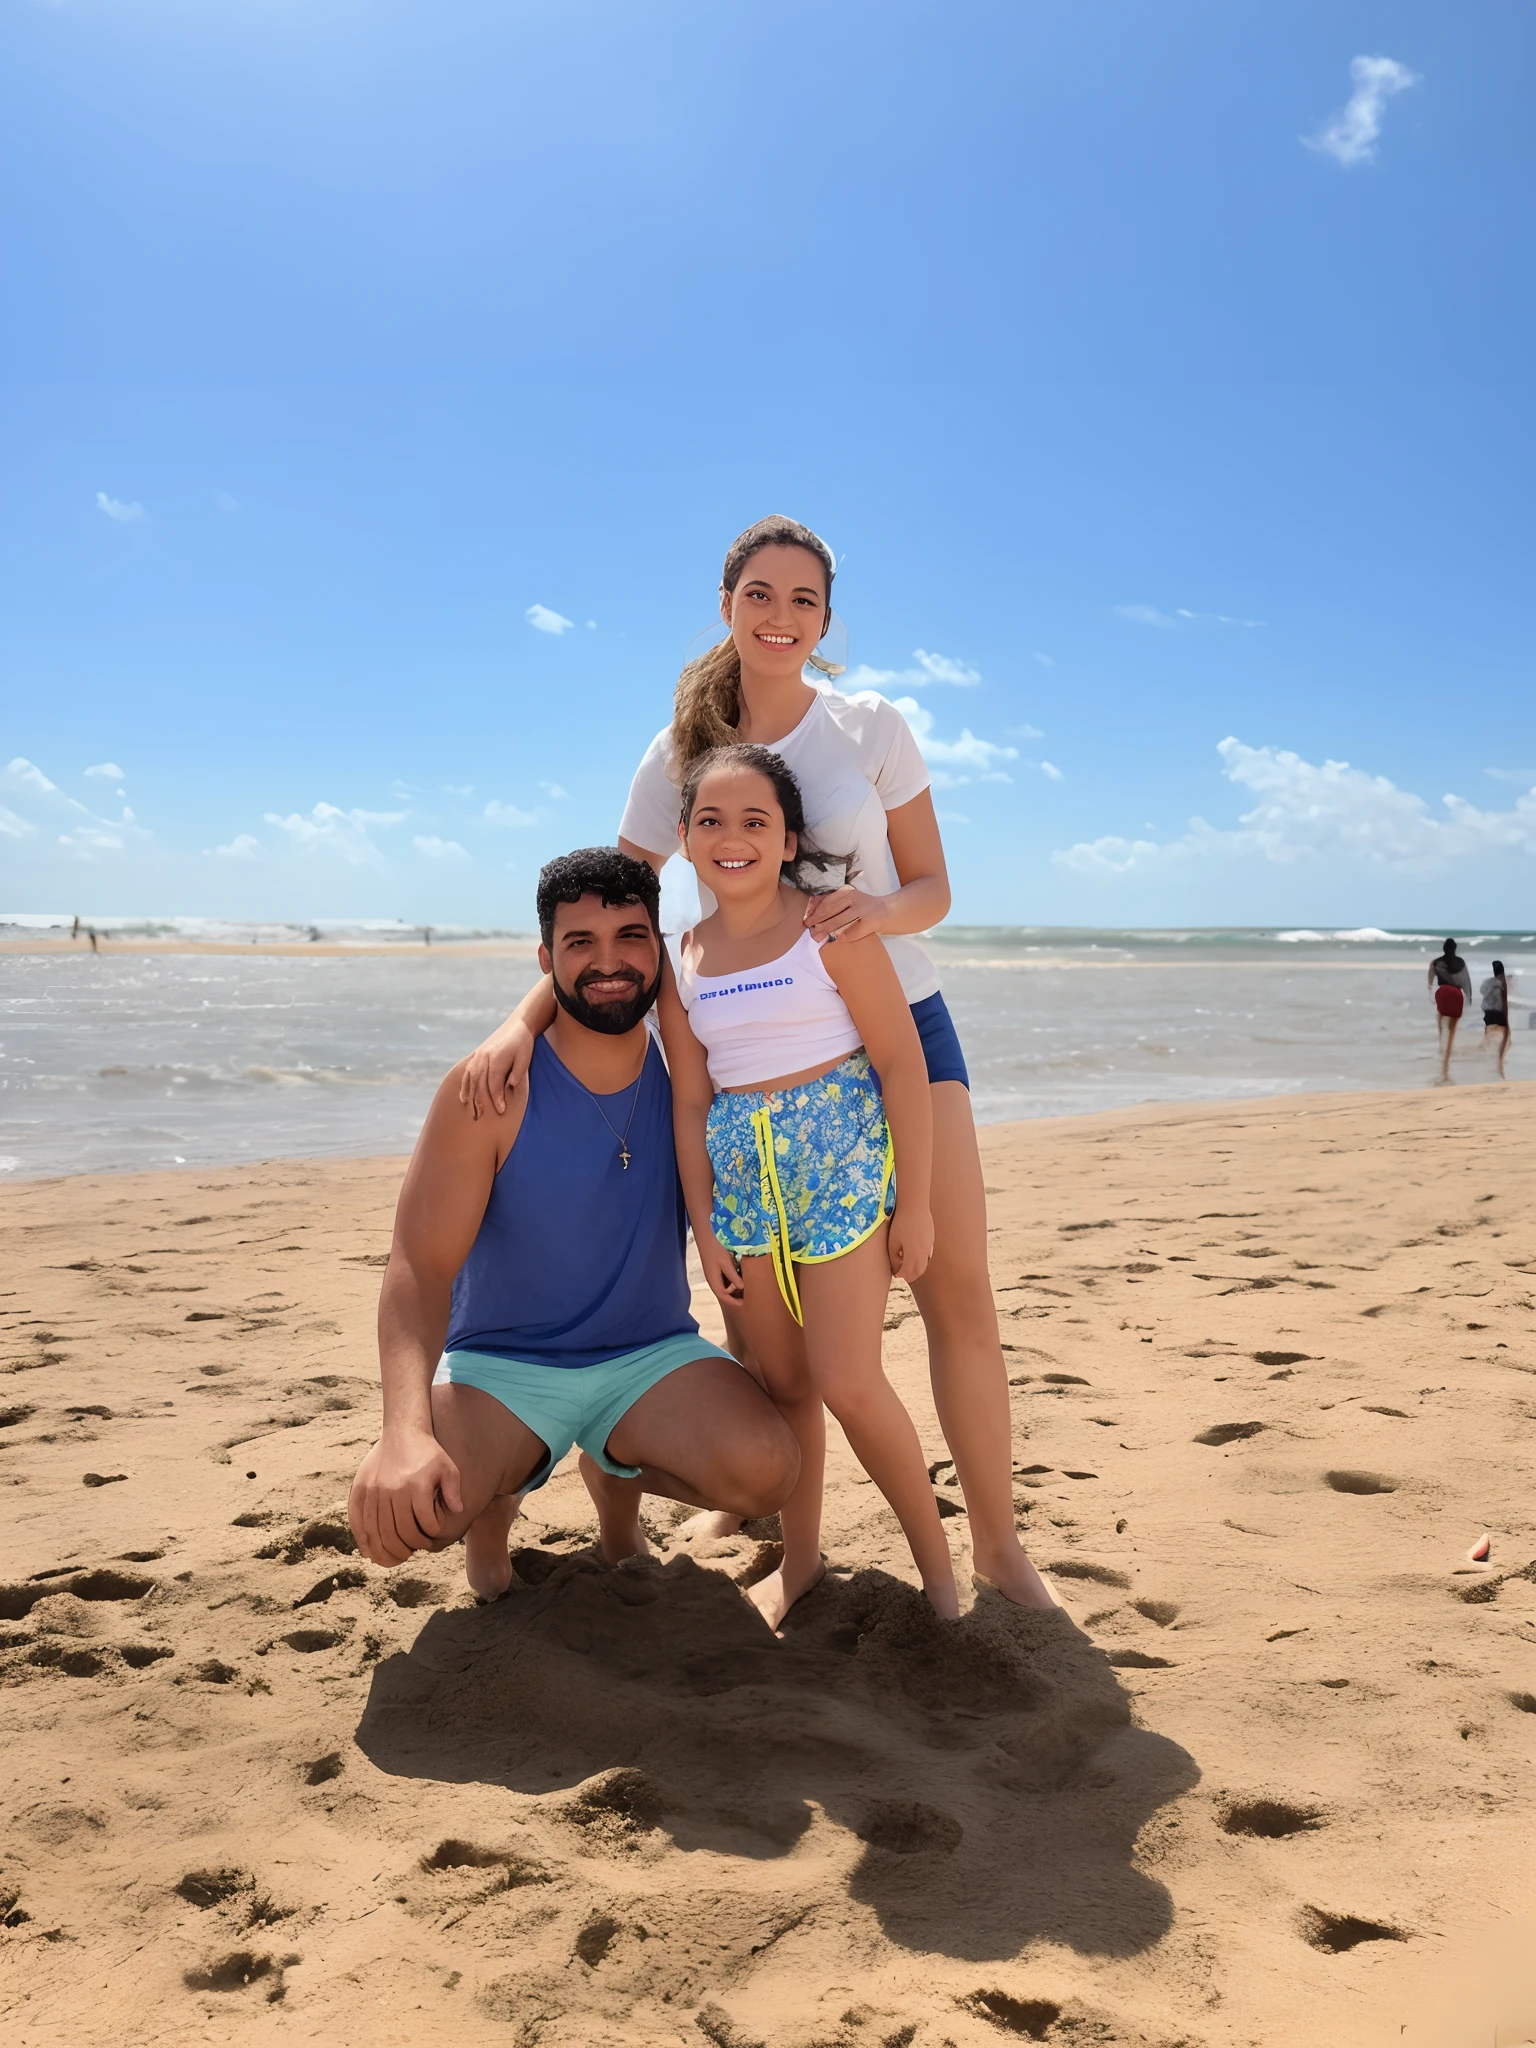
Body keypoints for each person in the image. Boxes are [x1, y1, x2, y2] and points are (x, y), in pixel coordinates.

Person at [462, 514, 1055, 1609]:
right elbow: (615, 906)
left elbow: (934, 886)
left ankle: (1001, 1550)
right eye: (761, 595)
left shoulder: (868, 724)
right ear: (728, 604)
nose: (781, 617)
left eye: (805, 601)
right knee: (777, 1342)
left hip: (896, 1022)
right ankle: (798, 1537)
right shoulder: (675, 748)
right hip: (746, 1065)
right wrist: (523, 1017)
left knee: (953, 1290)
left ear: (825, 622)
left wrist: (865, 913)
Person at [347, 848, 799, 1599]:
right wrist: (404, 1433)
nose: (609, 962)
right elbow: (417, 1268)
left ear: (660, 948)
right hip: (503, 1366)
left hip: (648, 1357)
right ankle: (493, 1525)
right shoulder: (490, 1088)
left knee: (767, 1472)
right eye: (579, 943)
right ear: (546, 958)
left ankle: (610, 1469)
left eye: (630, 937)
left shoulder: (693, 1076)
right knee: (413, 1517)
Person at [659, 742, 956, 1627]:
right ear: (683, 837)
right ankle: (802, 1559)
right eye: (711, 820)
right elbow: (687, 1102)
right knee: (783, 1387)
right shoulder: (684, 959)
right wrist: (705, 1231)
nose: (733, 837)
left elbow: (901, 1063)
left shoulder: (828, 927)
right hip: (746, 1189)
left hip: (842, 1174)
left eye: (756, 821)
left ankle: (941, 1576)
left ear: (788, 841)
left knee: (849, 1380)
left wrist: (917, 1202)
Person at [1428, 938, 1473, 1084]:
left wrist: (1431, 991)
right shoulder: (1460, 962)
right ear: (1454, 949)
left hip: (1442, 992)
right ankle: (1445, 1068)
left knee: (1441, 1018)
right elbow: (1466, 981)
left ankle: (1441, 1039)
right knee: (1452, 1031)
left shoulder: (1435, 962)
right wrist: (1469, 997)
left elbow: (1430, 982)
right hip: (1456, 993)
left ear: (1443, 948)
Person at [1480, 958, 1511, 1080]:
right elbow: (1504, 1003)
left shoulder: (1488, 982)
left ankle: (1484, 1049)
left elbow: (1482, 991)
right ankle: (1500, 1064)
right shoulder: (1503, 983)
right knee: (1506, 1035)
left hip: (1487, 1012)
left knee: (1489, 1032)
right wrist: (1507, 1020)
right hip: (1498, 1012)